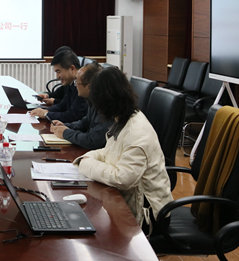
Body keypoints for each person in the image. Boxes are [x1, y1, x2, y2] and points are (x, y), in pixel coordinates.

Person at [73, 67, 173, 231]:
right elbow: (108, 152)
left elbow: (123, 178)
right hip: (127, 202)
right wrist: (86, 158)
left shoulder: (136, 133)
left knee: (89, 227)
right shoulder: (123, 118)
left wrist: (86, 164)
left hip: (148, 216)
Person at [49, 62, 110, 149]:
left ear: (89, 87)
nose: (75, 86)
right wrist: (66, 126)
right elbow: (85, 122)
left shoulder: (107, 106)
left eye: (77, 82)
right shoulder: (93, 99)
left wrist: (65, 132)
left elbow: (93, 141)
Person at [29, 49, 87, 123]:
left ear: (72, 68)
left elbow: (72, 116)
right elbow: (62, 105)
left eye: (58, 72)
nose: (57, 77)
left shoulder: (83, 86)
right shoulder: (72, 83)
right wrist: (44, 111)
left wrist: (46, 114)